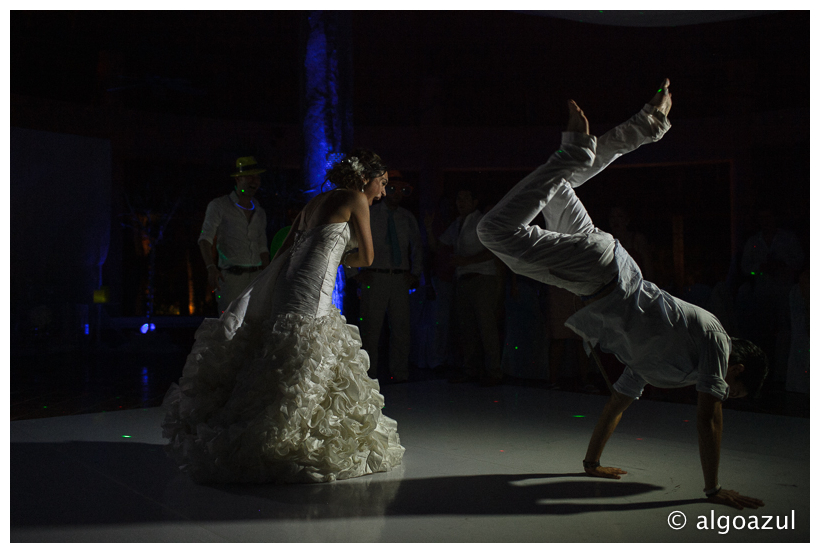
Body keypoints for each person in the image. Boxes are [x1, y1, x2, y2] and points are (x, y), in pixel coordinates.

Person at [477, 80, 768, 510]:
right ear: (735, 368)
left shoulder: (662, 367)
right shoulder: (714, 339)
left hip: (606, 263)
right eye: (733, 390)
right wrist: (712, 490)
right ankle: (581, 148)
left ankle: (647, 124)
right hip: (600, 274)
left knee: (557, 182)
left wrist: (592, 462)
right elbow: (709, 418)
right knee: (494, 231)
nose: (723, 393)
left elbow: (616, 404)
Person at [162, 149, 404, 484]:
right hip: (312, 286)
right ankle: (275, 435)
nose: (383, 191)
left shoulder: (315, 202)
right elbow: (367, 257)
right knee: (308, 347)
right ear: (366, 179)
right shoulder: (355, 199)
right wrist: (340, 260)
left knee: (285, 345)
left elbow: (282, 253)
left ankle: (260, 418)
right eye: (382, 183)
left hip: (289, 282)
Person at [426, 186, 504, 387]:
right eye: (458, 198)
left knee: (486, 327)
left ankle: (494, 371)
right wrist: (428, 228)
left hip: (482, 279)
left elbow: (494, 251)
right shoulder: (457, 224)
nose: (460, 202)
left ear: (474, 202)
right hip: (463, 281)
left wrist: (466, 261)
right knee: (467, 328)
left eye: (465, 198)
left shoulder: (481, 221)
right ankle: (471, 370)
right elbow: (439, 247)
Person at [354, 170, 423, 383]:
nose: (397, 194)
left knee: (401, 327)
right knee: (371, 329)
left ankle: (400, 372)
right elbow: (353, 241)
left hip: (399, 277)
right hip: (375, 276)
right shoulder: (371, 213)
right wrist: (354, 274)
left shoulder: (407, 217)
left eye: (402, 190)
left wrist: (415, 273)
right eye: (392, 188)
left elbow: (417, 247)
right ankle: (368, 374)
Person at [199, 156, 270, 315]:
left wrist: (268, 274)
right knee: (229, 326)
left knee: (256, 325)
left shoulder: (259, 211)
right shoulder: (219, 206)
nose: (255, 181)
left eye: (257, 177)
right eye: (250, 176)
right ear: (238, 179)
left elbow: (262, 247)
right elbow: (205, 238)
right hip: (231, 279)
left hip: (257, 278)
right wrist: (211, 268)